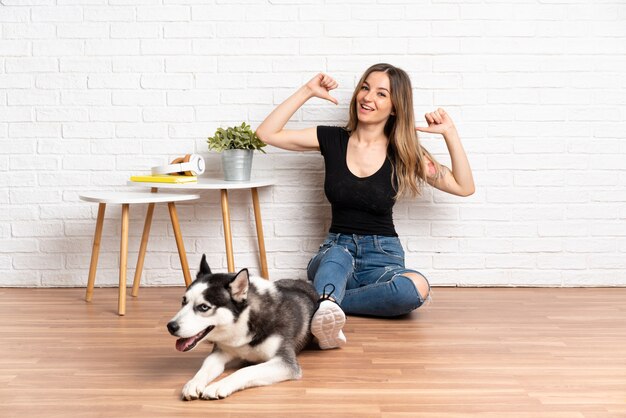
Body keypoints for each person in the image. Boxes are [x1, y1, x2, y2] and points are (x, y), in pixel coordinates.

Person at [256, 63, 475, 349]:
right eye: (365, 88)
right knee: (336, 254)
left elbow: (463, 186)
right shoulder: (332, 139)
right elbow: (266, 134)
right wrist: (308, 91)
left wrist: (450, 133)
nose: (368, 97)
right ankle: (328, 299)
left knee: (417, 288)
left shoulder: (405, 152)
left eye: (381, 94)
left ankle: (324, 302)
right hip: (336, 255)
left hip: (382, 258)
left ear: (395, 107)